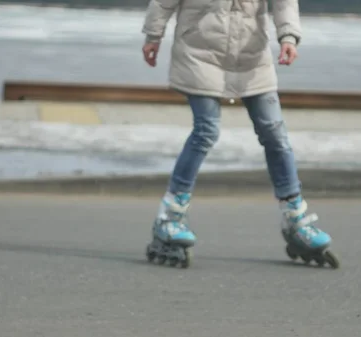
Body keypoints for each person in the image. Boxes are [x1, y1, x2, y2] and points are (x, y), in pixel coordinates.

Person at [140, 0, 332, 266]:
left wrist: (288, 36)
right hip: (199, 54)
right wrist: (153, 35)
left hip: (251, 58)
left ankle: (296, 219)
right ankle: (169, 217)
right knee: (206, 131)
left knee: (275, 133)